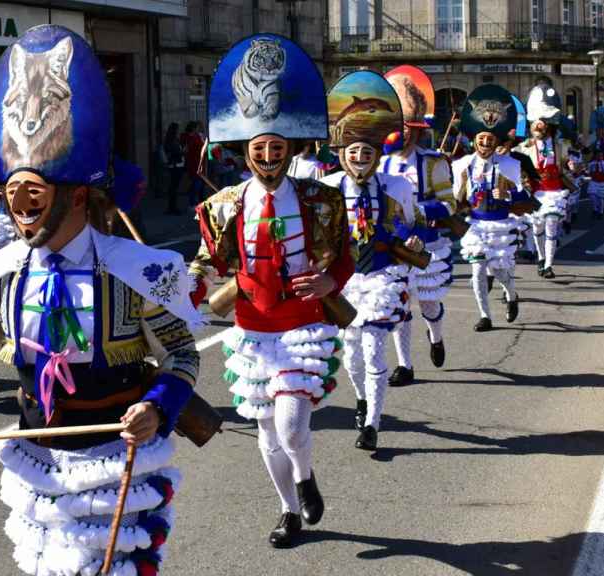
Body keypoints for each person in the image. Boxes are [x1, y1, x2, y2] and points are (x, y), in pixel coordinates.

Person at [0, 25, 203, 575]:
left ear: (78, 194)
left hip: (114, 450)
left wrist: (156, 408)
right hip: (37, 453)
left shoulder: (133, 271)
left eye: (34, 191)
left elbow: (182, 356)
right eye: (12, 194)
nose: (20, 205)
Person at [189, 34, 352, 547]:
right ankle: (289, 511)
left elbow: (345, 257)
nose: (268, 155)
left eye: (277, 147)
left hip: (303, 324)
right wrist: (189, 287)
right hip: (251, 330)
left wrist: (331, 281)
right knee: (264, 431)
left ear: (291, 149)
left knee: (290, 425)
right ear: (246, 151)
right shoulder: (224, 206)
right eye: (259, 148)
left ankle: (305, 475)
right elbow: (207, 262)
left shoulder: (321, 200)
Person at [321, 70, 423, 452]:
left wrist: (412, 238)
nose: (361, 159)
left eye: (367, 153)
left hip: (381, 276)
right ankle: (361, 400)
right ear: (343, 155)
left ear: (377, 155)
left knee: (374, 348)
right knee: (351, 354)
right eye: (354, 153)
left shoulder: (396, 186)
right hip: (345, 282)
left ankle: (373, 423)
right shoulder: (328, 189)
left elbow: (412, 227)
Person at [380, 65, 455, 384]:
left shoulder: (433, 162)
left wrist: (417, 210)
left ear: (416, 128)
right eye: (397, 126)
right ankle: (405, 365)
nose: (402, 133)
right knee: (398, 306)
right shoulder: (379, 163)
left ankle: (436, 337)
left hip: (426, 244)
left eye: (407, 127)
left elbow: (450, 204)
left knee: (428, 302)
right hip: (393, 247)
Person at [452, 84, 529, 332]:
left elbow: (523, 196)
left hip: (500, 224)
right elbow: (456, 198)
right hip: (476, 224)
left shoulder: (509, 164)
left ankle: (512, 294)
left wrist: (507, 193)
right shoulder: (463, 164)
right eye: (481, 139)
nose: (484, 143)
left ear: (495, 140)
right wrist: (460, 185)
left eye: (489, 139)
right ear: (474, 141)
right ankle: (484, 315)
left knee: (499, 271)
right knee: (477, 270)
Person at [514, 84, 573, 280]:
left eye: (542, 123)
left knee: (551, 224)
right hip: (536, 191)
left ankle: (548, 264)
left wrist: (572, 165)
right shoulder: (524, 147)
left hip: (554, 191)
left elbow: (566, 164)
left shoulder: (560, 145)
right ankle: (541, 257)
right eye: (536, 123)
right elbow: (515, 166)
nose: (538, 126)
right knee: (537, 227)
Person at [182, 121, 206, 205]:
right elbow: (202, 147)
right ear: (193, 128)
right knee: (196, 184)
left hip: (196, 163)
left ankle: (197, 201)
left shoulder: (194, 137)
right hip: (194, 163)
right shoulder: (192, 138)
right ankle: (192, 202)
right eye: (196, 128)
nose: (197, 130)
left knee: (199, 184)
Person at [163, 122, 184, 214]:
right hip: (175, 165)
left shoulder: (170, 139)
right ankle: (173, 208)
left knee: (173, 187)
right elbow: (175, 153)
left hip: (173, 165)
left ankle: (172, 207)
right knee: (174, 187)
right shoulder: (172, 140)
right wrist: (183, 152)